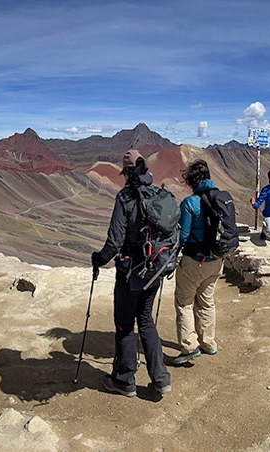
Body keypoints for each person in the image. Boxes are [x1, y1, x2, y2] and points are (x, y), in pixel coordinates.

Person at [89, 150, 173, 398]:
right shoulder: (158, 194)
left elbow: (114, 242)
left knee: (125, 325)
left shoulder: (125, 198)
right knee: (145, 320)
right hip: (154, 270)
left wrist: (99, 259)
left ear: (126, 173)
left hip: (130, 274)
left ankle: (124, 380)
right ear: (146, 169)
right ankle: (160, 378)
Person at [171, 160, 231, 365]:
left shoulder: (190, 203)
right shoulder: (220, 198)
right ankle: (208, 343)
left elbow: (183, 235)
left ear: (192, 180)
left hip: (195, 261)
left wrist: (172, 258)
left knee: (184, 302)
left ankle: (189, 347)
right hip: (217, 261)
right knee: (206, 301)